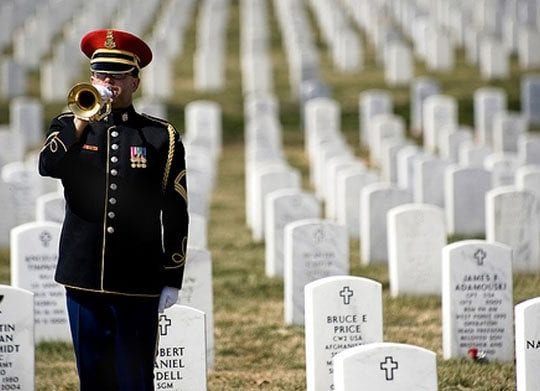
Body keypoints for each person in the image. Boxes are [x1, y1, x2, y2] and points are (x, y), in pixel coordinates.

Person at [38, 29, 189, 391]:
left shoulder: (158, 136)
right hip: (83, 275)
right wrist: (80, 121)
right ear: (91, 78)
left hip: (136, 279)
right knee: (92, 378)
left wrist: (172, 275)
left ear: (135, 80)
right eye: (101, 74)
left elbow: (176, 208)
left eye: (118, 75)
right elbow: (48, 165)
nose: (109, 82)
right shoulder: (68, 128)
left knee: (135, 379)